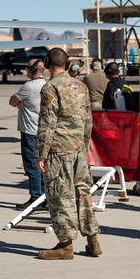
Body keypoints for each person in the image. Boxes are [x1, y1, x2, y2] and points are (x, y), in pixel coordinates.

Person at [35, 47, 101, 260]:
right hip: (78, 150)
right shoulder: (80, 86)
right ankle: (93, 241)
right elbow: (88, 120)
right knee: (83, 193)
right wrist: (83, 146)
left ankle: (65, 245)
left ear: (47, 62)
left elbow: (47, 123)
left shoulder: (50, 88)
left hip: (59, 151)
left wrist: (41, 153)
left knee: (60, 196)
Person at [9, 59, 47, 210]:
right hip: (44, 130)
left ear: (34, 70)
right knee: (44, 165)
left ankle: (36, 197)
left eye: (28, 68)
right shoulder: (47, 84)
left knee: (31, 165)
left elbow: (12, 100)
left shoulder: (29, 86)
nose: (26, 70)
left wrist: (19, 105)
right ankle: (44, 197)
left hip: (30, 131)